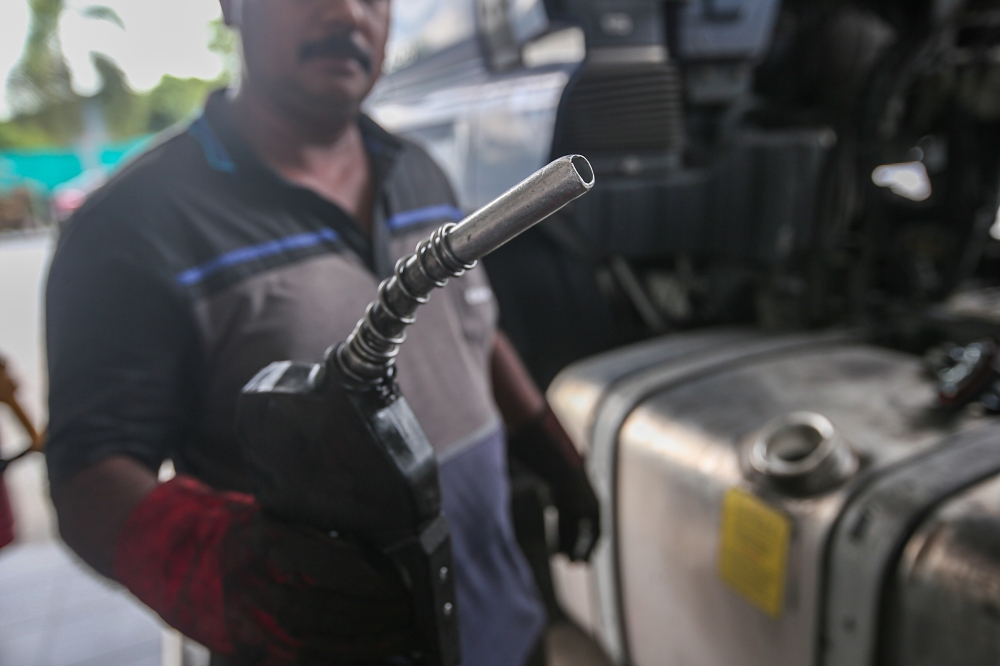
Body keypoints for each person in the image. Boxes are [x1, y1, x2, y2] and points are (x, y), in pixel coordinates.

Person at [44, 1, 600, 664]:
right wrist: (237, 574)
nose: (345, 12)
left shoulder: (419, 168)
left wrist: (547, 443)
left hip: (503, 626)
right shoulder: (135, 227)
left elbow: (472, 327)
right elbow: (88, 477)